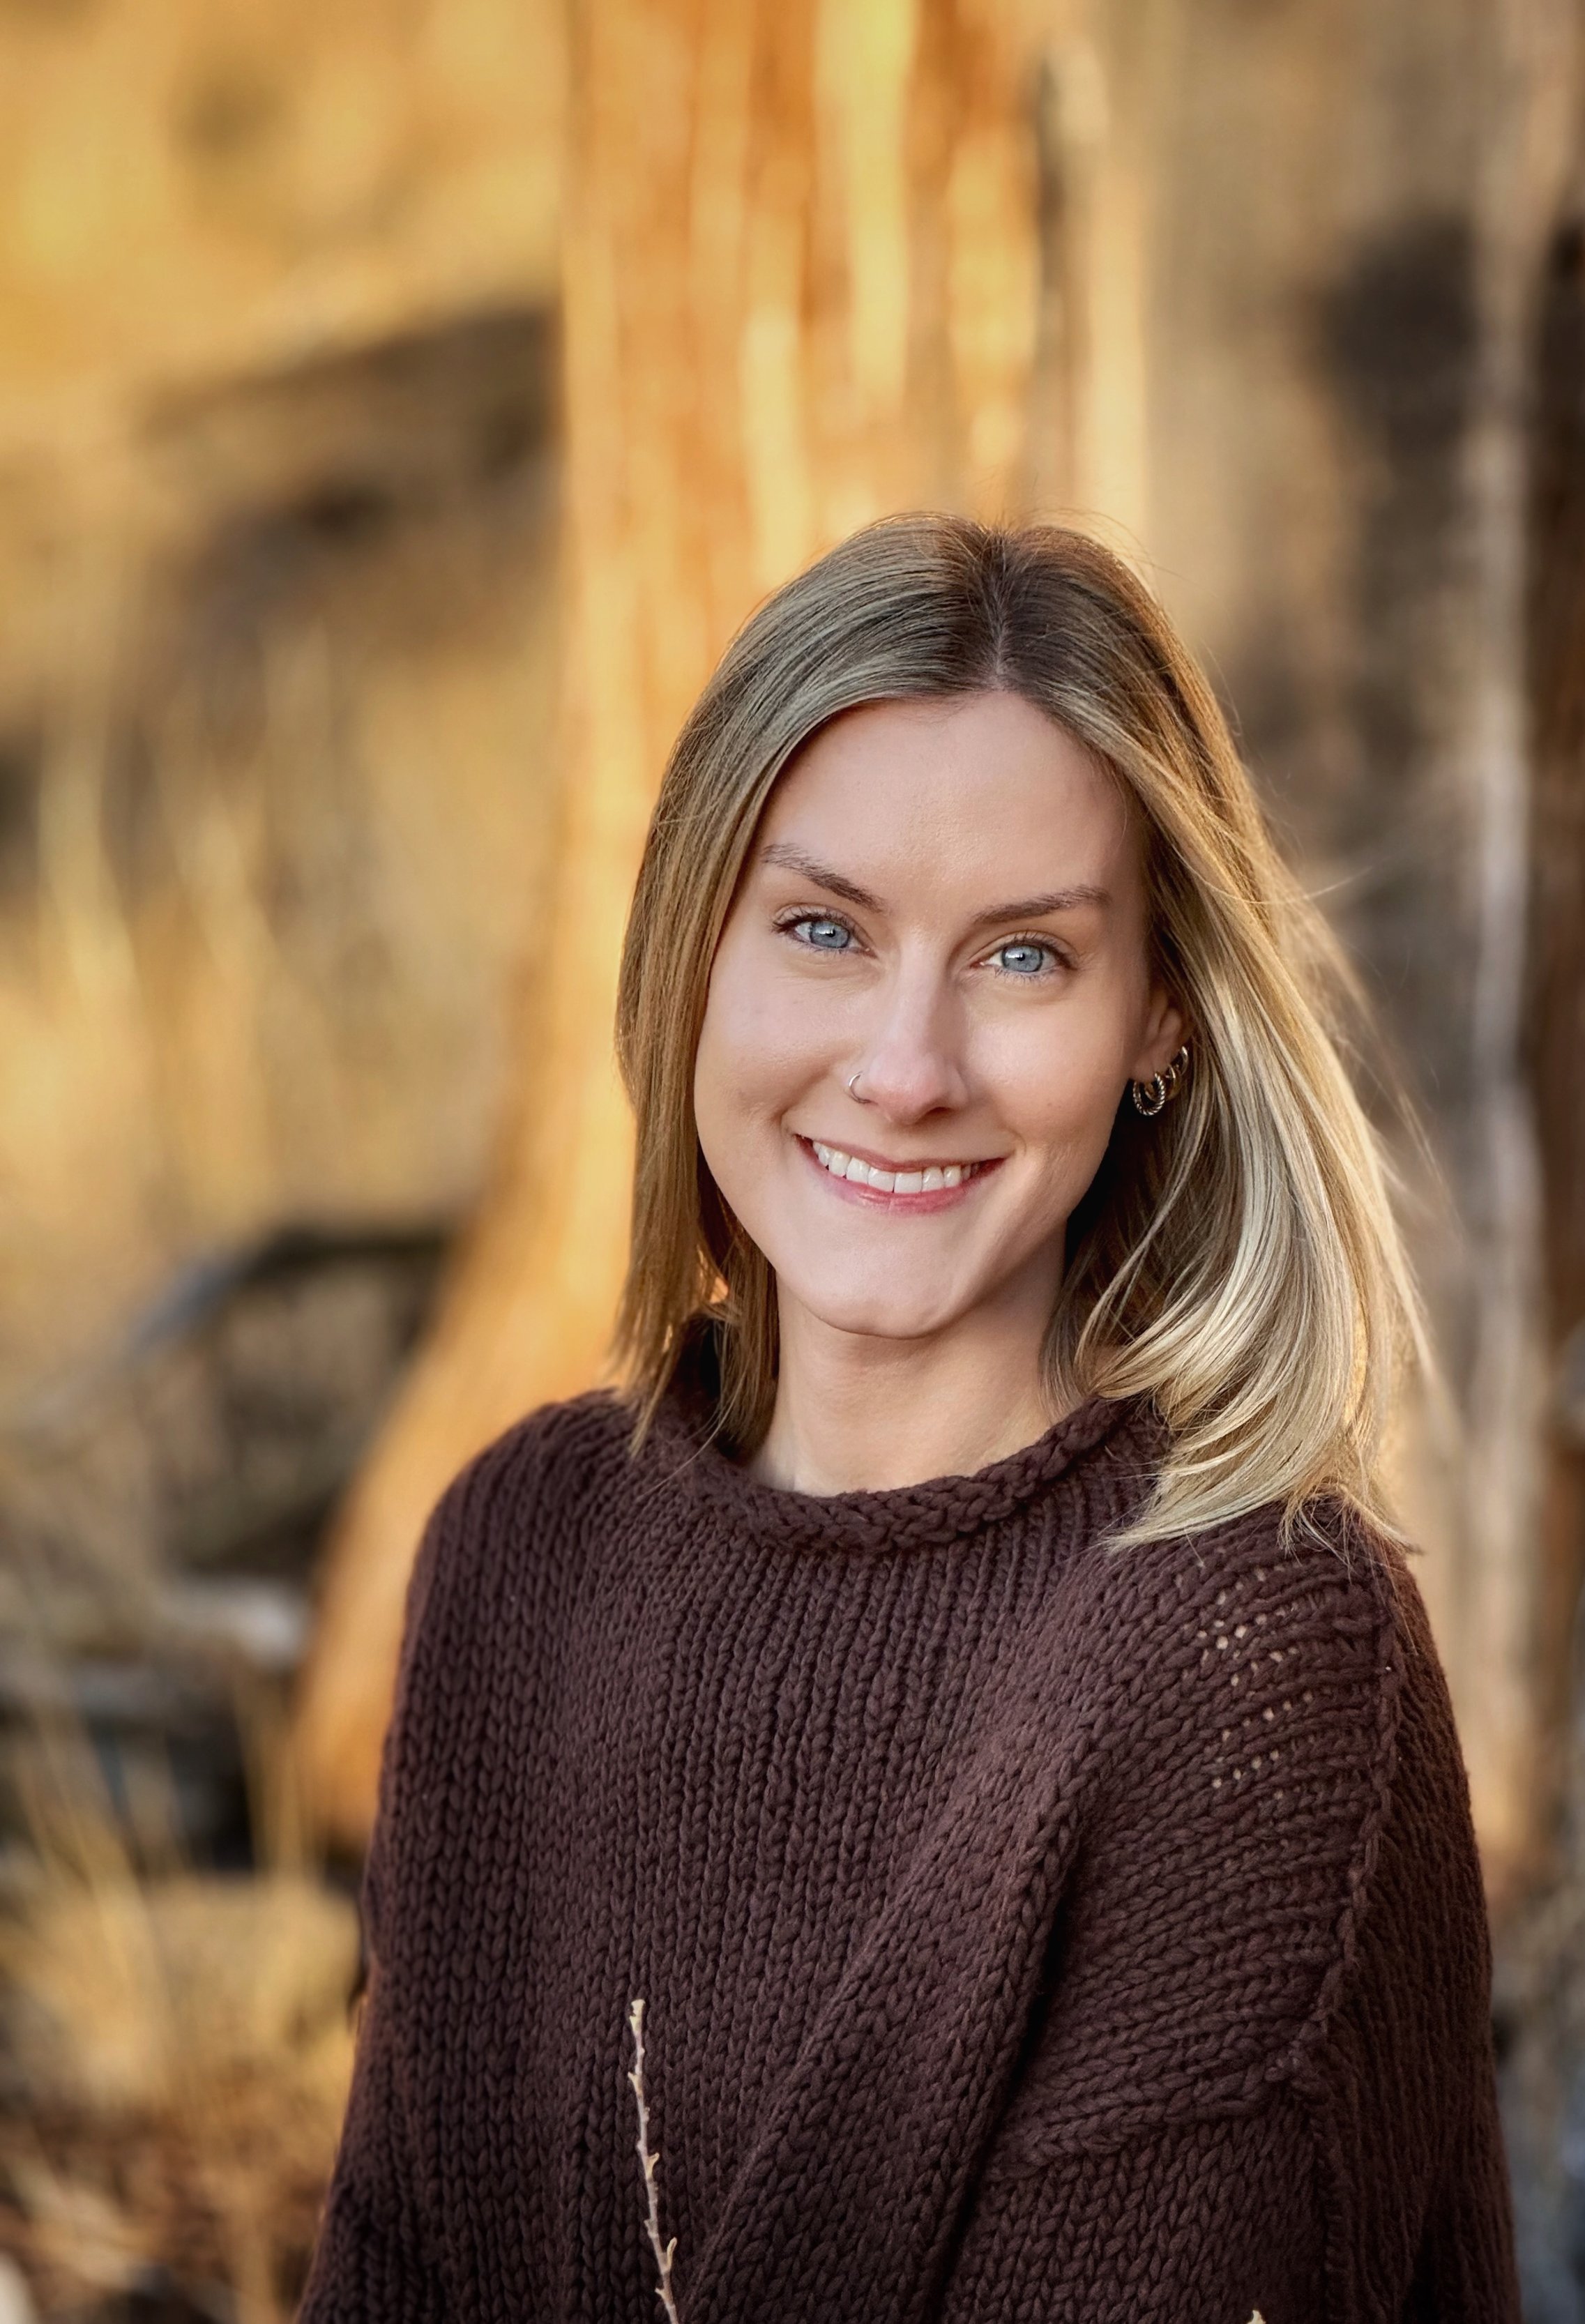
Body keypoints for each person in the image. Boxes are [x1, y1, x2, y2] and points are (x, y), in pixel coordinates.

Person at [300, 516, 1521, 2323]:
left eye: (1023, 957)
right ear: (691, 951)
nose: (904, 1067)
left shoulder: (1254, 1651)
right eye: (821, 931)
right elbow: (396, 2275)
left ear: (1159, 1019)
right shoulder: (520, 1553)